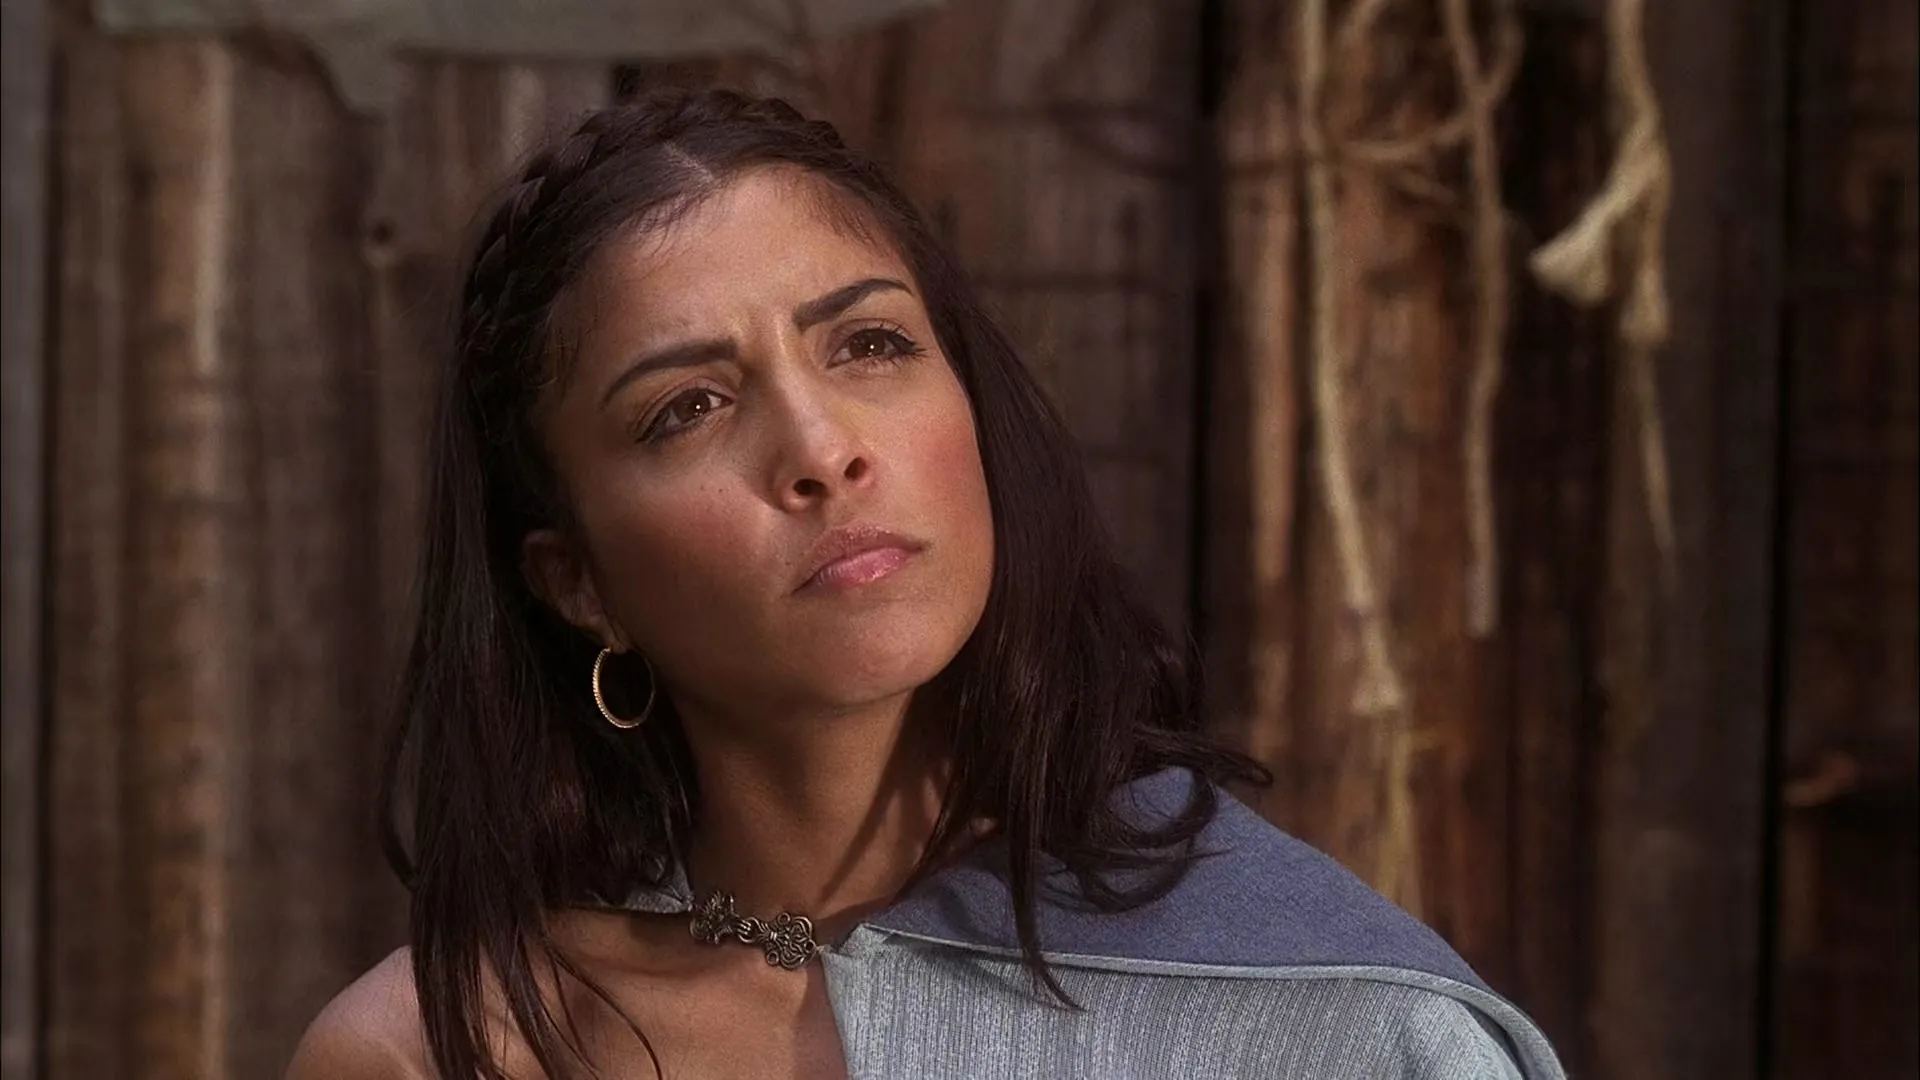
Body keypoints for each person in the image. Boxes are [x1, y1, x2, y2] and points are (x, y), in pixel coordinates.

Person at [287, 87, 1565, 1080]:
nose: (821, 449)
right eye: (688, 407)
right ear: (578, 584)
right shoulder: (443, 1053)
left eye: (871, 343)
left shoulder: (1338, 1025)